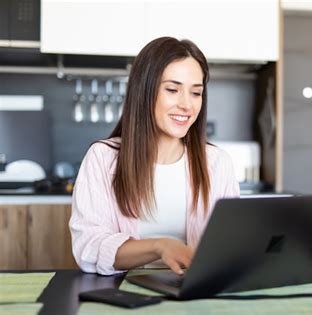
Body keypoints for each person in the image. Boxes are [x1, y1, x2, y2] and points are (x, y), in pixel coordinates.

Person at [69, 37, 240, 276]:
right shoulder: (103, 158)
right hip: (125, 295)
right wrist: (160, 246)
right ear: (145, 91)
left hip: (194, 295)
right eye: (172, 89)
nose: (186, 105)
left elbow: (231, 244)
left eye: (196, 93)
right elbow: (88, 247)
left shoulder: (217, 162)